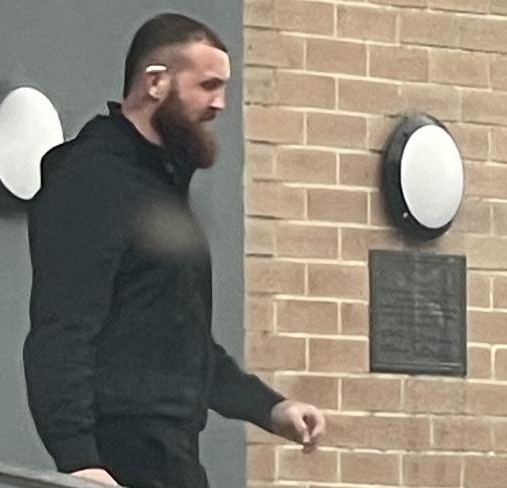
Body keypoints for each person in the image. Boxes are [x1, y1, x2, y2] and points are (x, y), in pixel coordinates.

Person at [23, 12, 326, 488]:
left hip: (172, 453)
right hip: (119, 455)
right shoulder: (91, 180)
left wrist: (269, 407)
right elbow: (62, 328)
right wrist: (79, 461)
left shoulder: (162, 186)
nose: (220, 103)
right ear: (156, 82)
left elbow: (179, 337)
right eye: (207, 85)